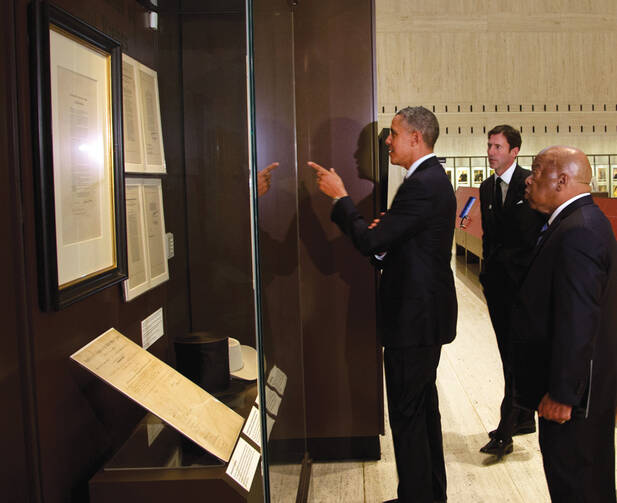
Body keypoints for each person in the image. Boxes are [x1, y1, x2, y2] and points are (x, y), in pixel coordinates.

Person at [308, 106, 457, 503]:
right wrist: (386, 238)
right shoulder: (426, 179)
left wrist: (341, 198)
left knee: (410, 418)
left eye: (393, 133)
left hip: (415, 320)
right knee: (422, 414)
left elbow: (372, 242)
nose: (387, 142)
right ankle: (427, 495)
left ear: (416, 138)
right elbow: (398, 245)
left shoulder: (423, 182)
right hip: (422, 318)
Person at [511, 146, 617, 501]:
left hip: (573, 403)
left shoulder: (579, 231)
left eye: (538, 170)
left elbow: (578, 321)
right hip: (577, 395)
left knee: (578, 484)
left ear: (562, 179)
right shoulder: (579, 222)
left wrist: (563, 394)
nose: (529, 177)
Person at [478, 125, 546, 457]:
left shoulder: (529, 184)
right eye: (489, 145)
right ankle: (523, 418)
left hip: (523, 289)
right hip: (497, 287)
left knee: (515, 359)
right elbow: (490, 237)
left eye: (498, 146)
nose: (491, 151)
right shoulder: (487, 187)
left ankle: (506, 430)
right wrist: (486, 274)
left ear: (514, 151)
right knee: (507, 353)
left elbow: (530, 238)